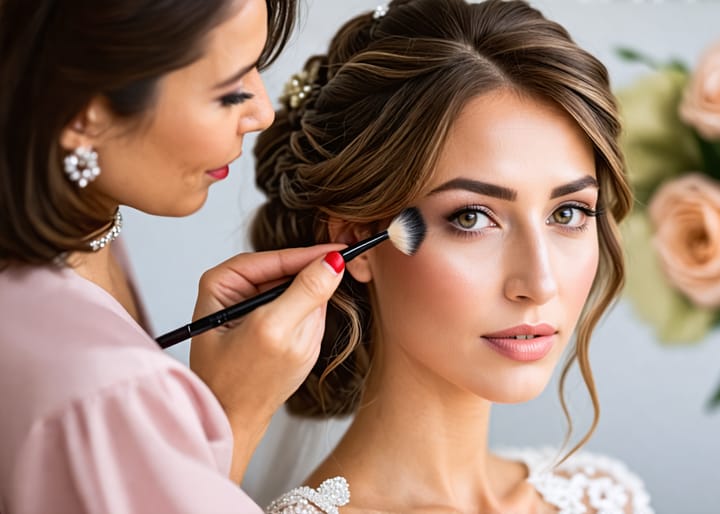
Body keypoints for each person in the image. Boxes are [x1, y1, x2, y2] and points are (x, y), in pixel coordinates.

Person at [251, 1, 654, 512]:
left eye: (568, 213)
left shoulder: (602, 496)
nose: (540, 282)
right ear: (356, 239)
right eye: (472, 218)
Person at [0, 0, 348, 512]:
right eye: (230, 91)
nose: (263, 112)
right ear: (85, 113)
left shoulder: (94, 237)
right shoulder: (100, 389)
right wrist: (233, 413)